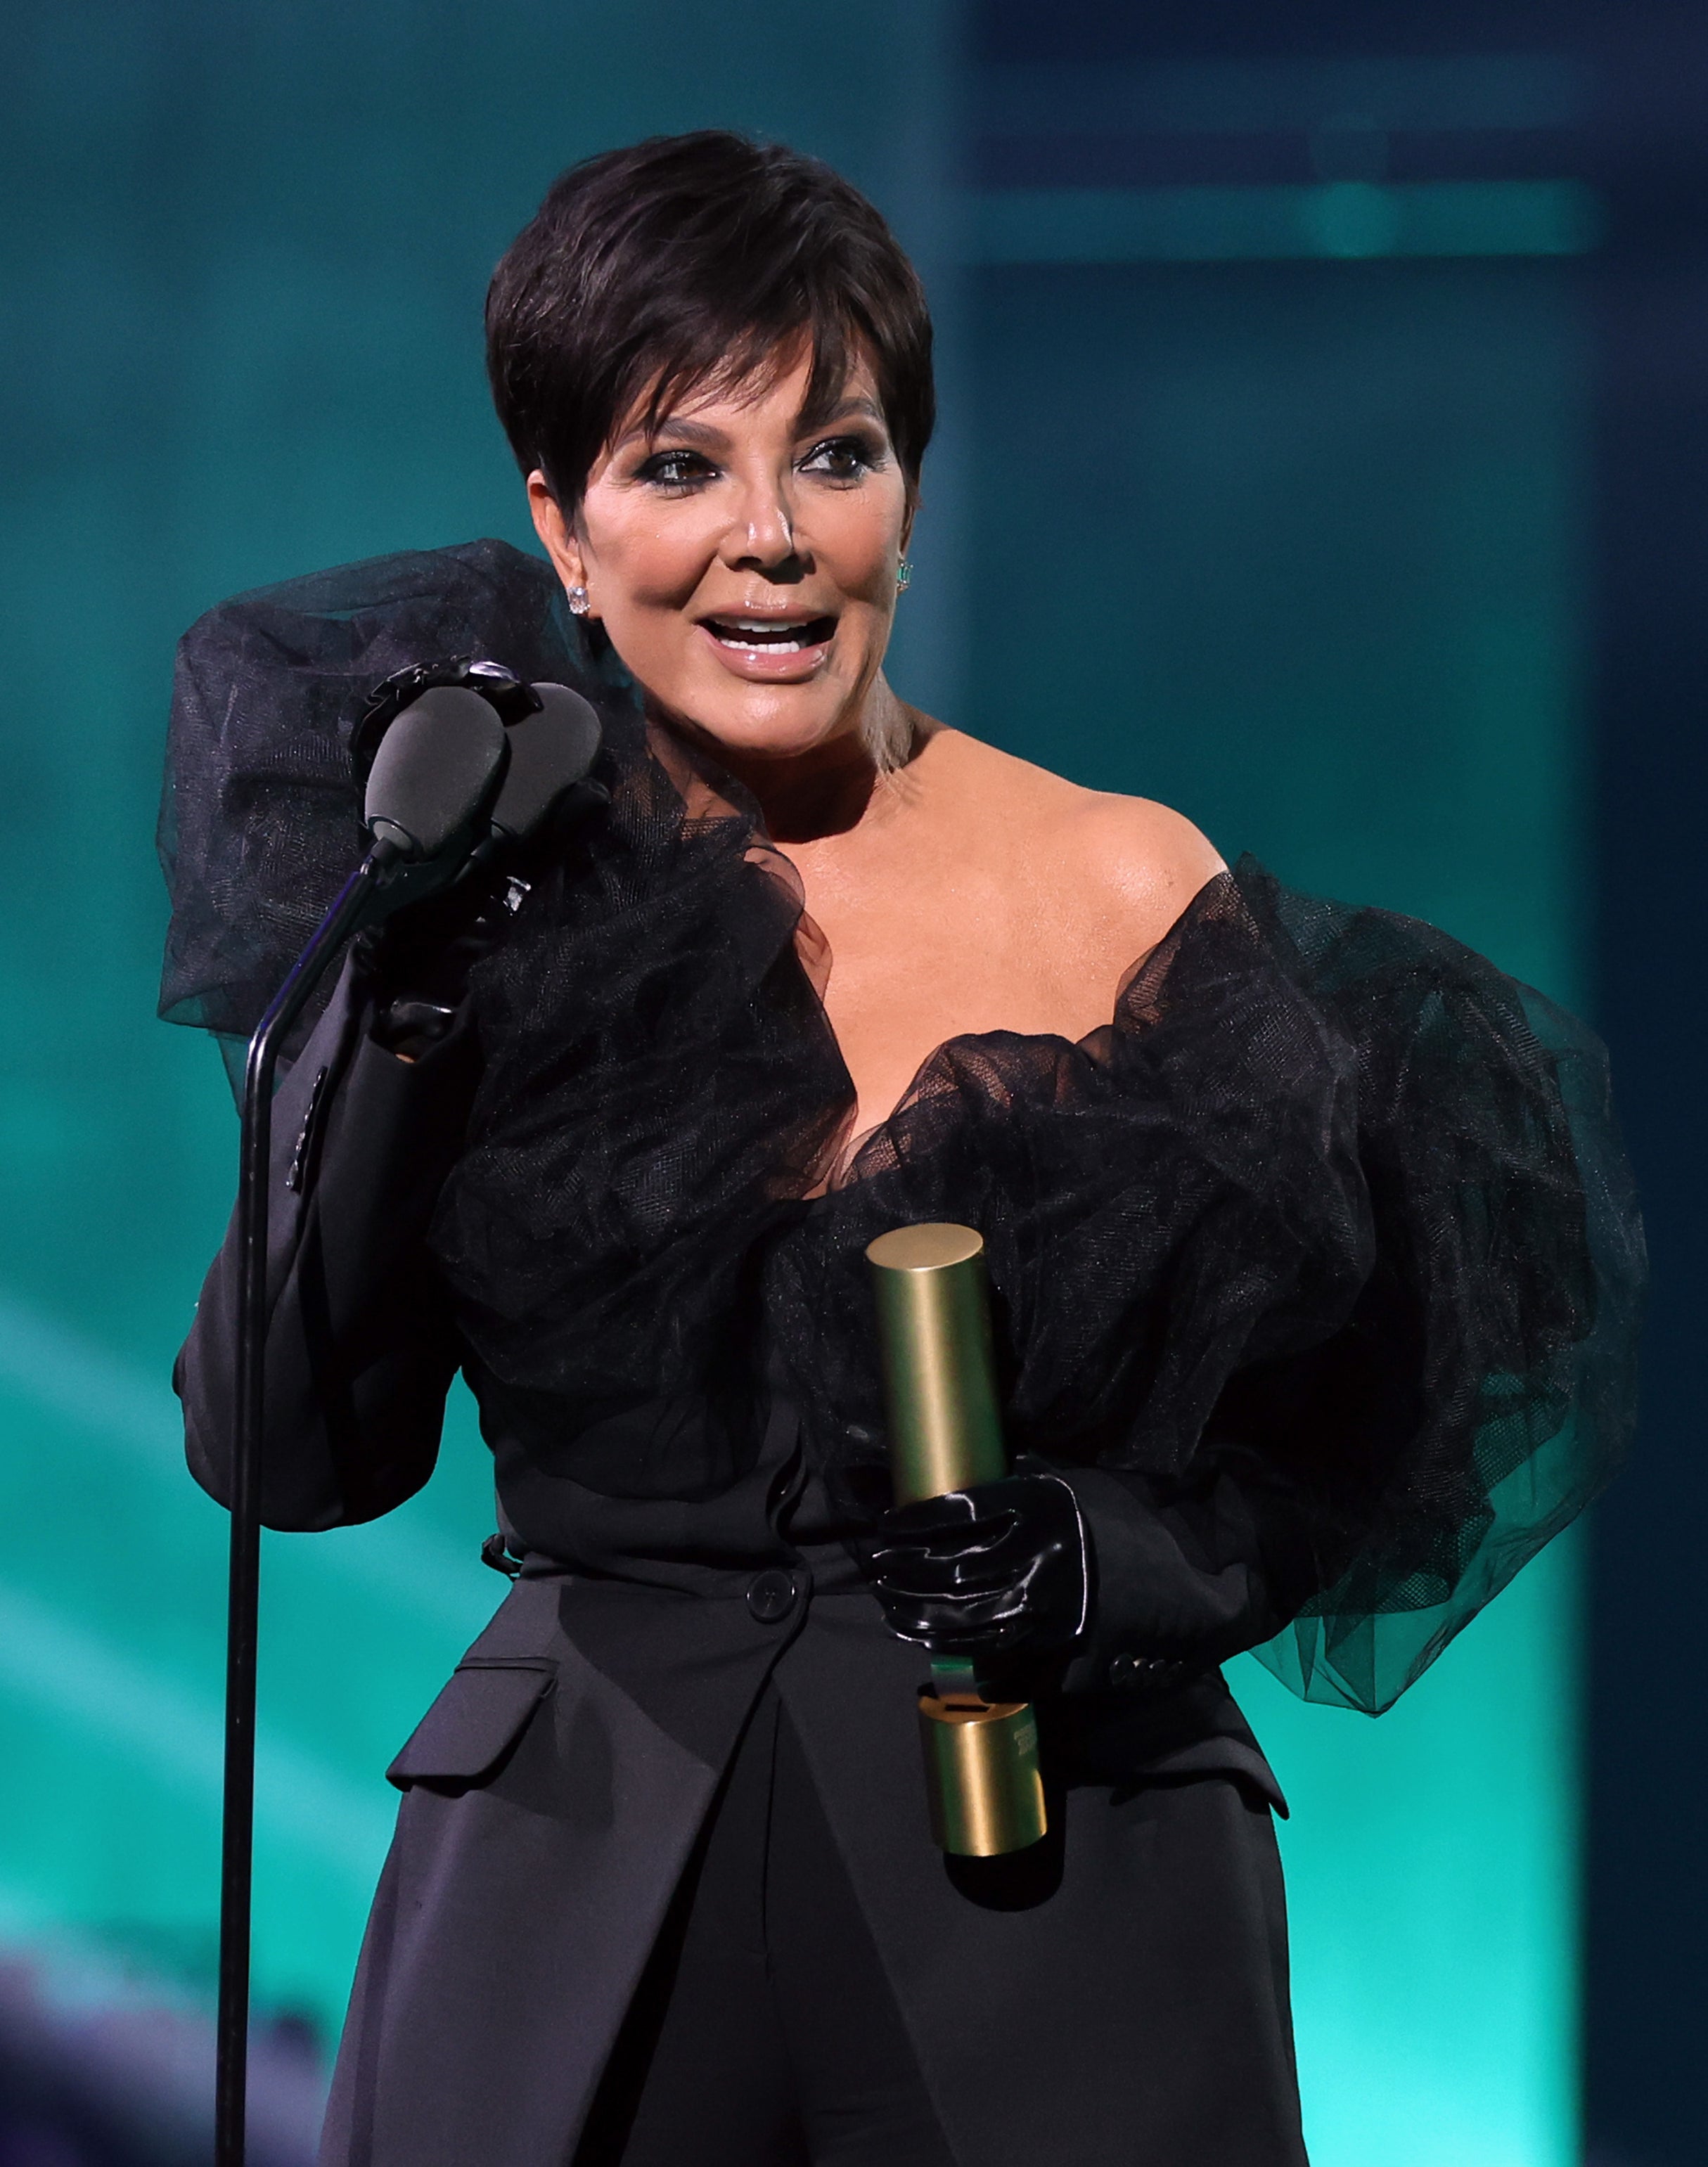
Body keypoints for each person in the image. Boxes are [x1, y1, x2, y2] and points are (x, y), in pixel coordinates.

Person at [161, 133, 1644, 2167]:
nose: (767, 537)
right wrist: (401, 995)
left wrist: (1095, 1558)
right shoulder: (476, 893)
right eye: (678, 467)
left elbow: (1329, 1447)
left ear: (909, 502)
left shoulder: (1127, 883)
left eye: (834, 455)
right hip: (578, 1882)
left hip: (1061, 1887)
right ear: (562, 527)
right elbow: (286, 1452)